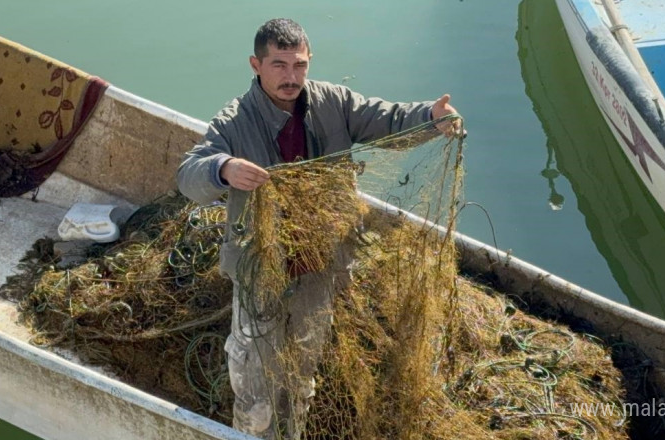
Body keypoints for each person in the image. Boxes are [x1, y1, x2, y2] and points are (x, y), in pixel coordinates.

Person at [176, 18, 459, 439]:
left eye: (299, 65)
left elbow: (388, 120)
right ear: (255, 64)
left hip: (321, 262)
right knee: (254, 379)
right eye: (278, 65)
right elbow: (188, 174)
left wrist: (430, 117)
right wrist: (224, 168)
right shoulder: (234, 121)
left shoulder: (334, 102)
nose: (291, 77)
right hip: (261, 268)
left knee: (302, 373)